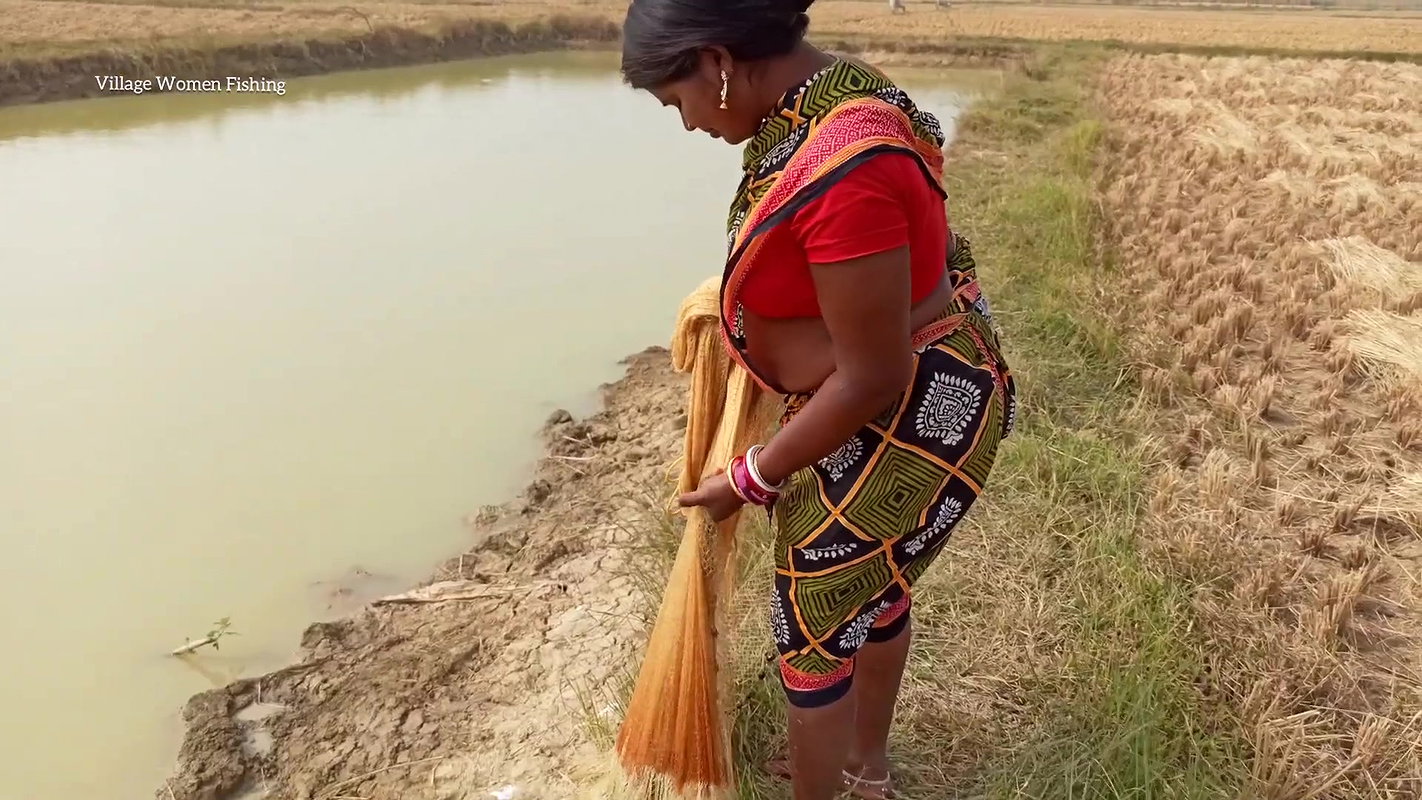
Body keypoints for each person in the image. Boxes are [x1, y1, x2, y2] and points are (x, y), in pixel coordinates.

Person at [621, 0, 1016, 797]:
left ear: (716, 63)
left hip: (903, 412)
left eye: (678, 104)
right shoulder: (829, 91)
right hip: (895, 382)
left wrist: (752, 477)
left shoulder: (846, 167)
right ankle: (861, 766)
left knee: (811, 634)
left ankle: (838, 777)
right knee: (873, 587)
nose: (689, 127)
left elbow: (873, 377)